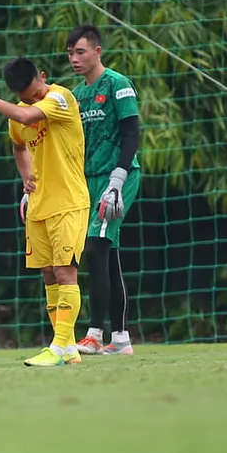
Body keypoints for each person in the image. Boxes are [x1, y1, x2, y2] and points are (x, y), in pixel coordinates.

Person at [0, 57, 89, 367]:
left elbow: (25, 113)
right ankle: (69, 346)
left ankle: (58, 347)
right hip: (39, 206)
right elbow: (18, 145)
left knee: (65, 272)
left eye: (35, 93)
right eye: (26, 96)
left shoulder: (61, 97)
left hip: (69, 202)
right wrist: (26, 176)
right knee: (48, 275)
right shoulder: (16, 116)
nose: (32, 100)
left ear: (43, 77)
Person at [67, 24, 141, 356]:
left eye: (80, 52)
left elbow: (131, 135)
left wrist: (117, 182)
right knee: (107, 256)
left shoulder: (118, 84)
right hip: (88, 180)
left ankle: (94, 334)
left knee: (95, 248)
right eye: (70, 53)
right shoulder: (76, 95)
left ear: (98, 51)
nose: (74, 59)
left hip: (117, 178)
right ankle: (121, 338)